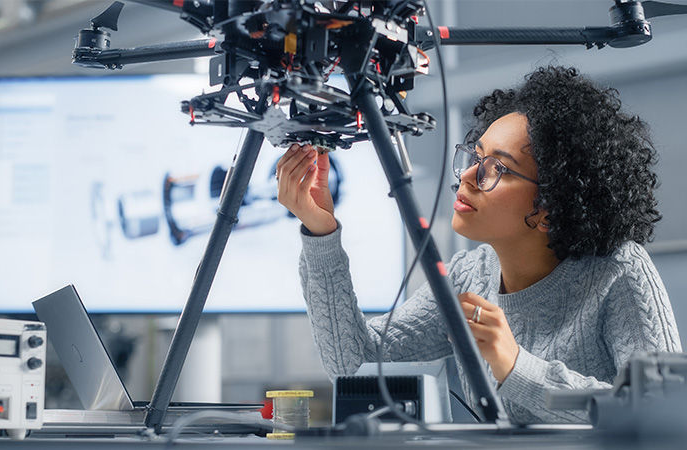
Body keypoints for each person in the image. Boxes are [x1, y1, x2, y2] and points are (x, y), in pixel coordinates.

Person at [275, 66, 682, 424]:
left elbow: (662, 411)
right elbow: (355, 365)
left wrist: (516, 367)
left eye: (496, 169)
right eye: (476, 156)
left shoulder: (619, 270)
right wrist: (320, 233)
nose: (467, 176)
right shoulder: (470, 275)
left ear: (550, 208)